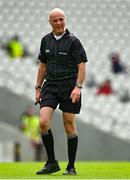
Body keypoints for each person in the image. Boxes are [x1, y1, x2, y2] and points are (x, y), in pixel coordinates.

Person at [35, 8, 88, 175]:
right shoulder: (45, 40)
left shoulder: (73, 41)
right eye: (55, 20)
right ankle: (51, 163)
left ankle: (71, 167)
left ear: (65, 20)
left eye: (61, 19)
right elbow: (43, 65)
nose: (59, 23)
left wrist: (78, 87)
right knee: (43, 123)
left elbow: (82, 65)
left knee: (69, 126)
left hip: (69, 86)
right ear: (49, 22)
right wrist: (37, 87)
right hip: (50, 86)